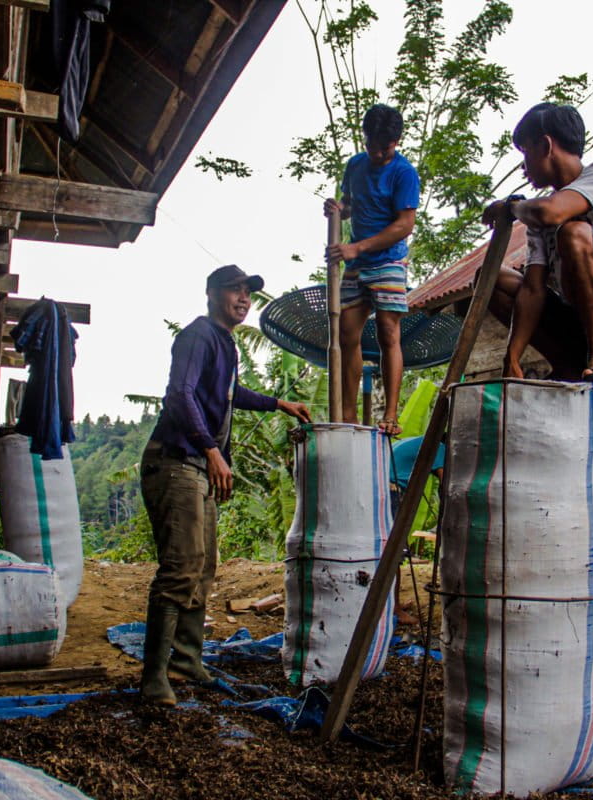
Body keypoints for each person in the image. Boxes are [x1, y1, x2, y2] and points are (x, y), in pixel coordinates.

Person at [139, 265, 311, 705]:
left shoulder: (226, 345)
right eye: (234, 290)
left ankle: (186, 659)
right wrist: (212, 451)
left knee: (203, 567)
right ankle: (154, 676)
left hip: (199, 466)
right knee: (180, 566)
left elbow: (234, 393)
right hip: (177, 461)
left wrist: (278, 403)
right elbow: (180, 394)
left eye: (247, 292)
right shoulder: (197, 336)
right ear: (212, 293)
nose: (243, 298)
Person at [482, 103, 593, 391]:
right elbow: (533, 289)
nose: (523, 167)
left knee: (573, 232)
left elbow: (551, 213)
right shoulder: (537, 215)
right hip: (580, 327)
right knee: (490, 276)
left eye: (525, 153)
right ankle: (567, 364)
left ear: (545, 145)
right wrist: (512, 357)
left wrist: (511, 206)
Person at [323, 104, 421, 434]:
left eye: (386, 146)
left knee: (387, 333)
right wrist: (339, 209)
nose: (378, 152)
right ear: (365, 137)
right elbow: (350, 204)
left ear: (397, 141)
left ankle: (390, 415)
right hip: (356, 263)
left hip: (388, 261)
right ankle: (348, 414)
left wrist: (358, 247)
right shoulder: (355, 165)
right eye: (373, 144)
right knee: (346, 332)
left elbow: (405, 224)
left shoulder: (404, 173)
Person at [389, 435, 445, 626]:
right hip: (391, 492)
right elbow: (448, 485)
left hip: (380, 488)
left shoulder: (416, 441)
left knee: (388, 552)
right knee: (393, 553)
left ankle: (391, 604)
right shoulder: (440, 447)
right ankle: (395, 610)